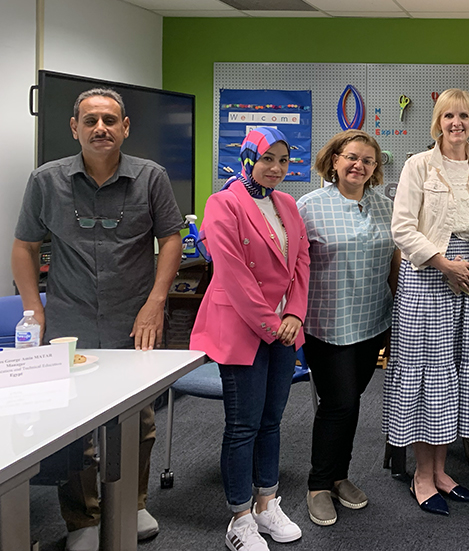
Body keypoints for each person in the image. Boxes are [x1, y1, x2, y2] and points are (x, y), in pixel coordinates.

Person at [12, 88, 184, 551]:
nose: (101, 128)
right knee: (74, 426)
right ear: (75, 128)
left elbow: (171, 239)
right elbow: (25, 246)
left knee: (139, 420)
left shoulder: (151, 178)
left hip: (136, 321)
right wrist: (33, 309)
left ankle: (132, 503)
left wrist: (156, 302)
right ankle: (83, 518)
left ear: (126, 127)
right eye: (90, 121)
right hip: (70, 322)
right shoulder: (46, 181)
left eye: (110, 120)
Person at [189, 127, 310, 551]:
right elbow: (234, 274)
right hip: (243, 329)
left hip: (283, 329)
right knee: (243, 425)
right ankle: (239, 518)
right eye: (267, 159)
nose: (276, 168)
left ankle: (266, 503)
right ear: (247, 159)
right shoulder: (222, 204)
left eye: (283, 160)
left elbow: (301, 262)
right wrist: (272, 324)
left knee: (272, 421)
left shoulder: (288, 204)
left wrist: (295, 313)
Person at [384, 88, 469, 516]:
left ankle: (443, 470)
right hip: (429, 276)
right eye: (449, 116)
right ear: (437, 121)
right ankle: (421, 474)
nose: (457, 123)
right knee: (426, 373)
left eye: (464, 116)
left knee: (454, 373)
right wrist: (444, 263)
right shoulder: (418, 165)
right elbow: (402, 228)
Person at [298, 130, 400, 526]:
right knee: (340, 403)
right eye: (352, 157)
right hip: (327, 323)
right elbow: (294, 268)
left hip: (373, 320)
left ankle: (340, 476)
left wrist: (397, 314)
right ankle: (318, 485)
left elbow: (393, 259)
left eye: (368, 161)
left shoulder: (383, 205)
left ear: (376, 168)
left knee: (349, 402)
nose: (359, 165)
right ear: (335, 160)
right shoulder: (309, 206)